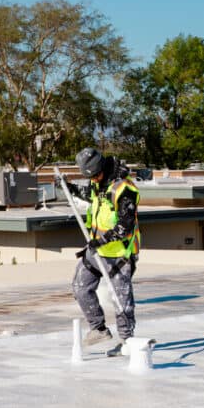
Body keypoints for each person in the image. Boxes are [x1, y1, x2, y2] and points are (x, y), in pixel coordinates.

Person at [58, 147, 141, 356]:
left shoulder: (125, 190)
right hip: (96, 252)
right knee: (80, 287)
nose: (93, 180)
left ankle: (127, 342)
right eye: (90, 177)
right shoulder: (98, 184)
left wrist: (102, 240)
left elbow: (126, 225)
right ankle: (99, 329)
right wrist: (69, 188)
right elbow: (89, 195)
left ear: (102, 167)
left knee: (121, 301)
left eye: (95, 175)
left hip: (118, 255)